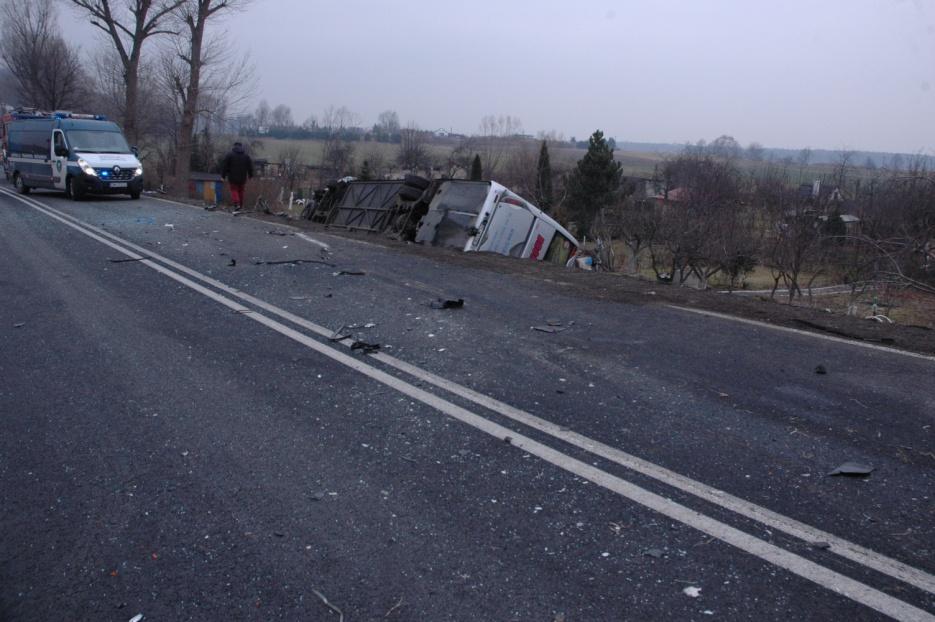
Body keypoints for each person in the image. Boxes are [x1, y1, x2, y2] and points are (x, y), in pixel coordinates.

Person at [220, 141, 254, 210]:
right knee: (241, 191)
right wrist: (250, 175)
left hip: (232, 177)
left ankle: (236, 204)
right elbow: (250, 167)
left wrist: (223, 176)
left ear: (234, 146)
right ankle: (240, 205)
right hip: (242, 177)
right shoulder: (246, 156)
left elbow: (224, 166)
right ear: (241, 147)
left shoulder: (229, 155)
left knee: (234, 190)